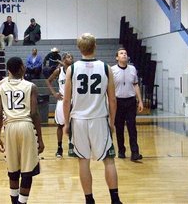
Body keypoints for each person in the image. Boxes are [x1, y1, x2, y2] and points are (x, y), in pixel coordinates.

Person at [63, 33, 122, 204]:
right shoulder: (105, 68)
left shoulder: (71, 69)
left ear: (79, 48)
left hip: (79, 120)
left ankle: (89, 200)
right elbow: (112, 99)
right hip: (99, 118)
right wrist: (112, 122)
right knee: (108, 160)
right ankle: (115, 199)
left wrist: (66, 123)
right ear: (95, 46)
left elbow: (67, 100)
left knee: (83, 161)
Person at [0, 57, 44, 204]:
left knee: (13, 170)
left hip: (9, 127)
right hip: (26, 126)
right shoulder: (31, 86)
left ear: (8, 70)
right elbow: (35, 113)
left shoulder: (1, 88)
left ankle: (14, 202)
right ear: (23, 68)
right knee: (28, 170)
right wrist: (40, 138)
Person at [111, 48, 144, 161]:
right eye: (121, 53)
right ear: (117, 57)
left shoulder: (133, 69)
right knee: (119, 127)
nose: (124, 55)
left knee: (132, 127)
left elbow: (135, 85)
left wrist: (140, 100)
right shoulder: (112, 70)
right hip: (118, 102)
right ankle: (121, 150)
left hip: (130, 101)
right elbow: (109, 88)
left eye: (125, 53)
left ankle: (135, 152)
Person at [45, 52, 74, 158]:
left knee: (73, 125)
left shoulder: (75, 70)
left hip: (73, 100)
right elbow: (48, 81)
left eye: (71, 57)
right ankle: (59, 147)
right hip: (62, 101)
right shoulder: (59, 70)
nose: (70, 58)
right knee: (60, 125)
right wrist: (54, 93)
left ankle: (72, 145)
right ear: (63, 59)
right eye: (68, 57)